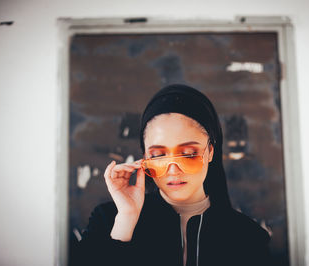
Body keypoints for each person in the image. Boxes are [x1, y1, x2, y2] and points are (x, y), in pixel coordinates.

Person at [74, 84, 271, 266]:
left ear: (210, 151)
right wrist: (126, 219)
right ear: (144, 158)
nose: (173, 169)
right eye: (158, 155)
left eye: (188, 154)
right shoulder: (109, 221)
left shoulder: (249, 238)